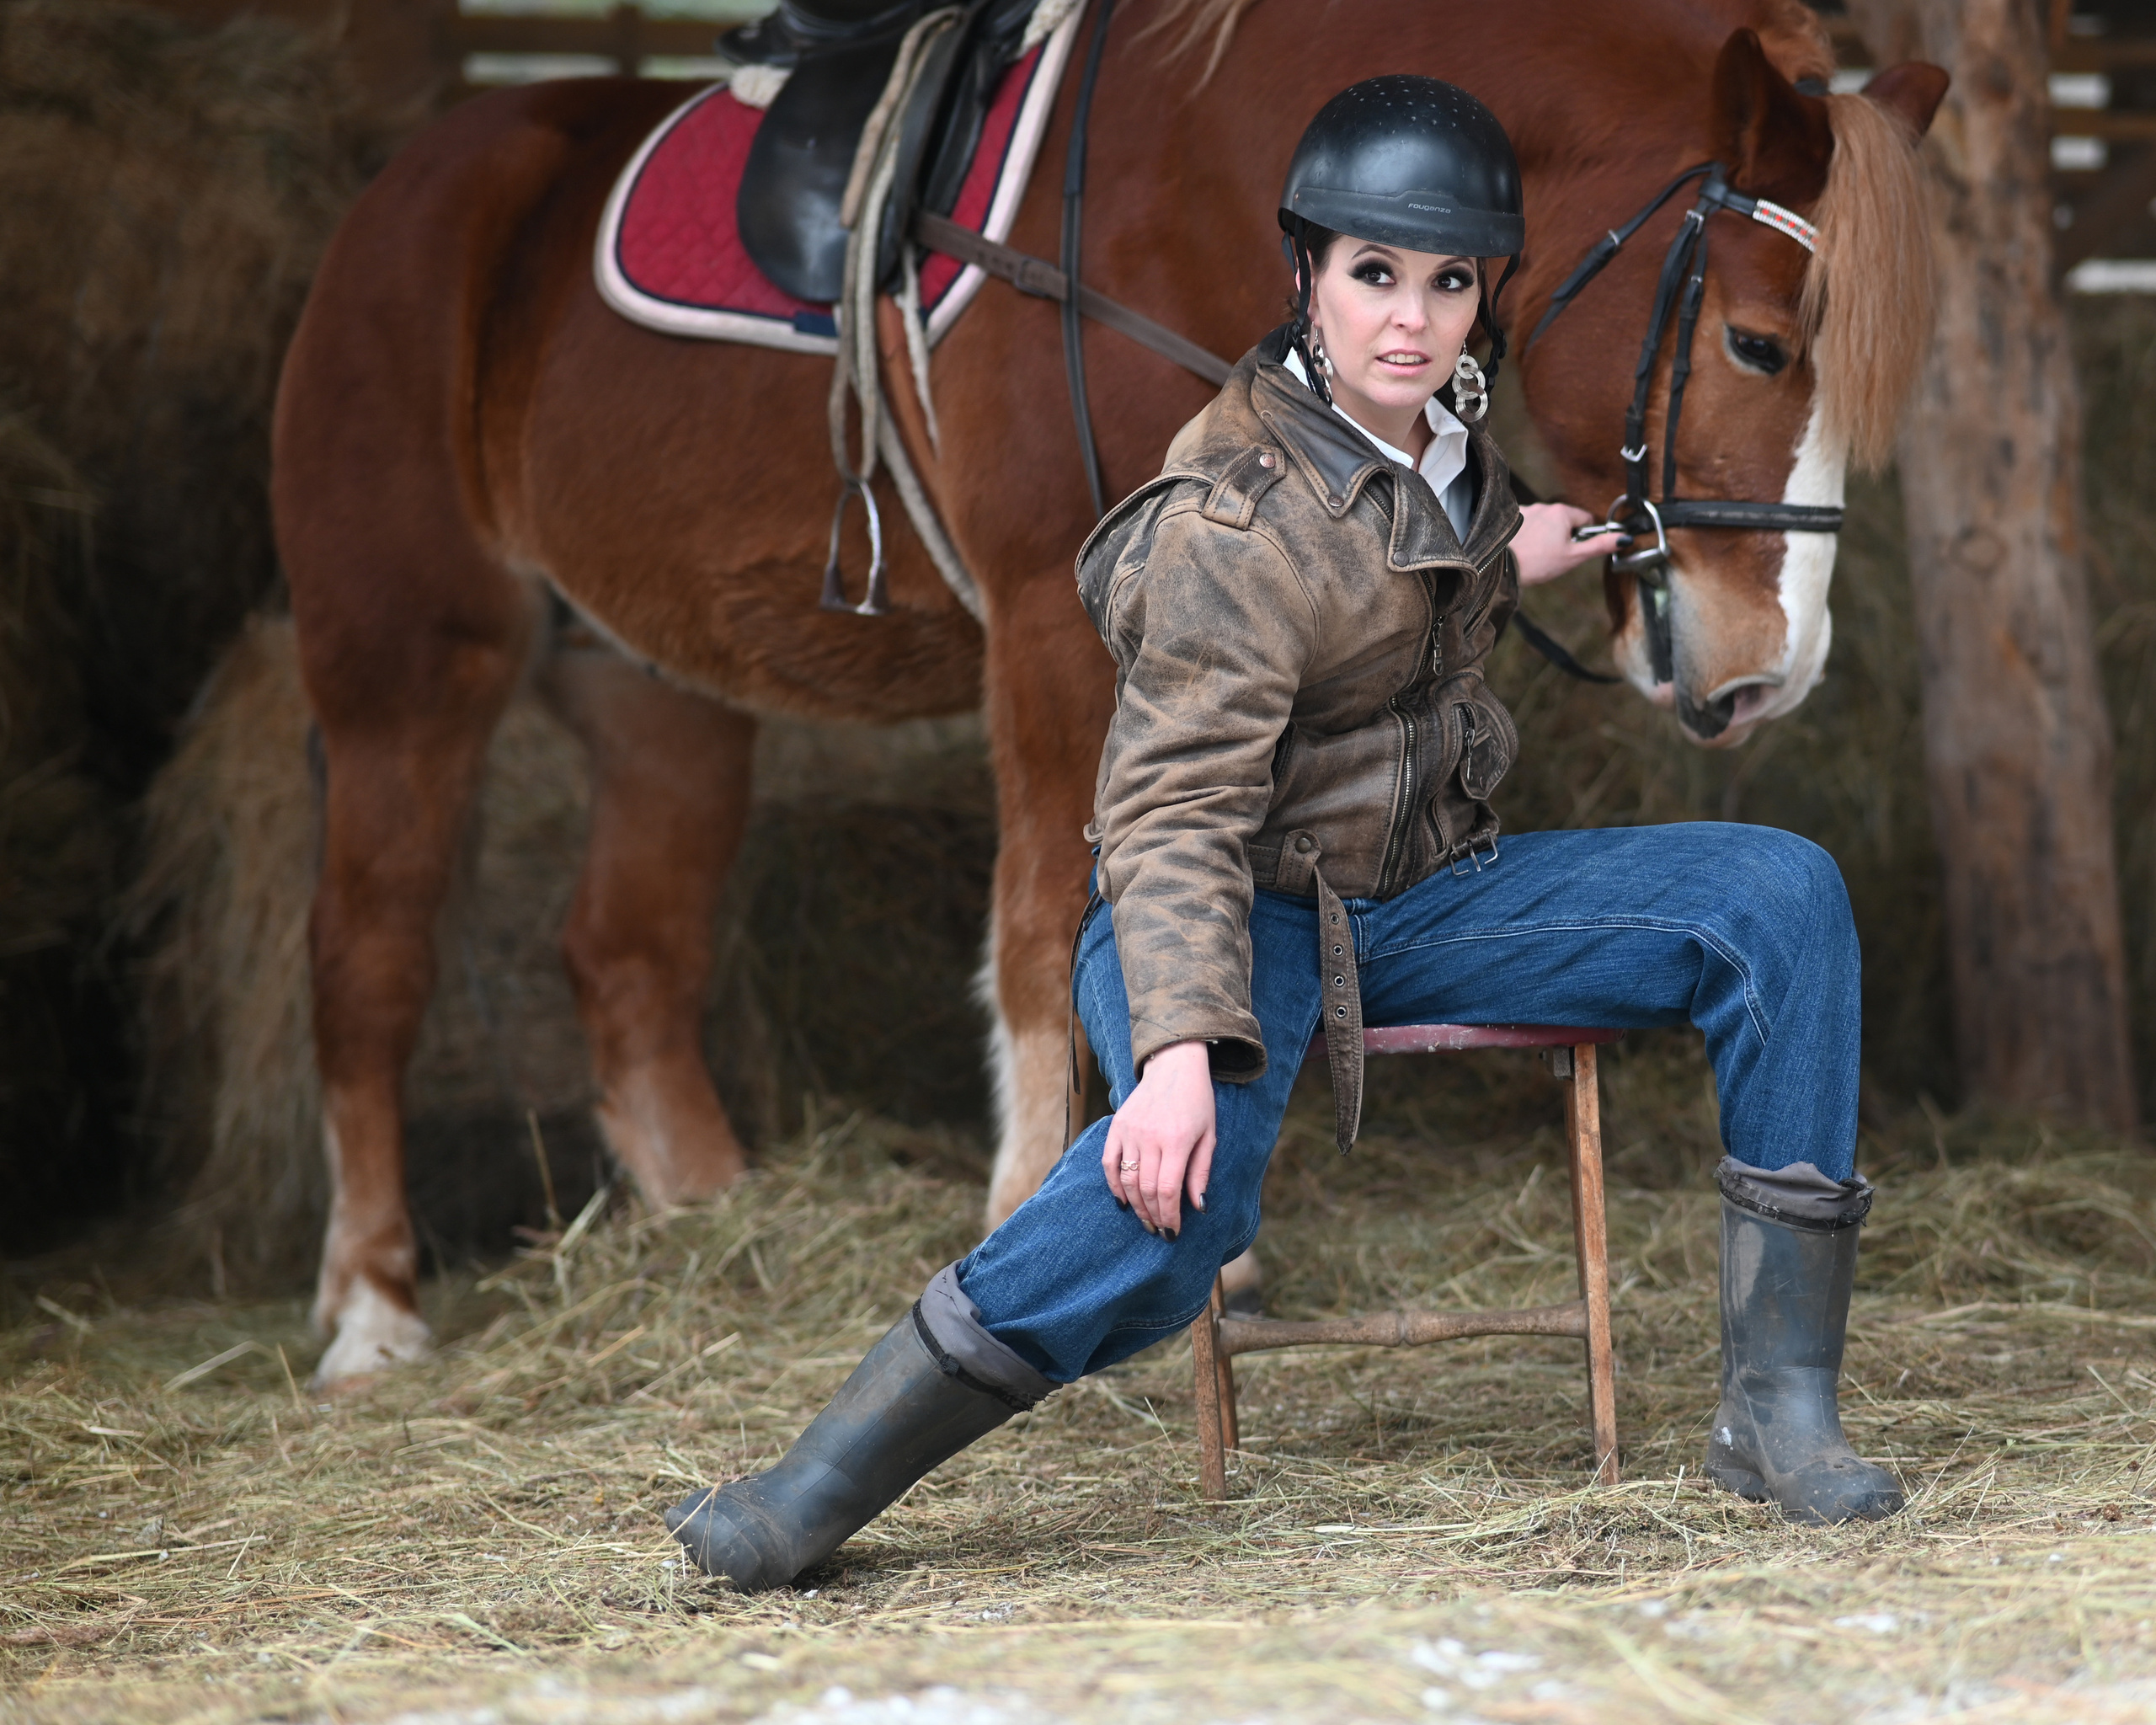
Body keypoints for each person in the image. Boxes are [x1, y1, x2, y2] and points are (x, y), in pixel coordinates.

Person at [665, 75, 1901, 1592]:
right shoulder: (1230, 521)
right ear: (1306, 272)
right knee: (1179, 1207)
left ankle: (1778, 1413)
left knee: (1781, 896)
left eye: (1449, 282)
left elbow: (1388, 573)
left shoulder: (1442, 444)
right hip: (1226, 912)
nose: (1412, 319)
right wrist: (1177, 1054)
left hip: (1417, 892)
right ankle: (814, 1488)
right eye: (1374, 273)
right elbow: (1171, 808)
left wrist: (1512, 549)